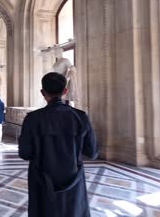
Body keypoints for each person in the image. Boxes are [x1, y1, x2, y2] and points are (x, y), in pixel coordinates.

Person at [18, 73, 99, 217]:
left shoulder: (33, 119)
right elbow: (92, 152)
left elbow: (25, 153)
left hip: (41, 180)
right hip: (72, 178)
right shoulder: (80, 117)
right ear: (65, 91)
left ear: (43, 93)